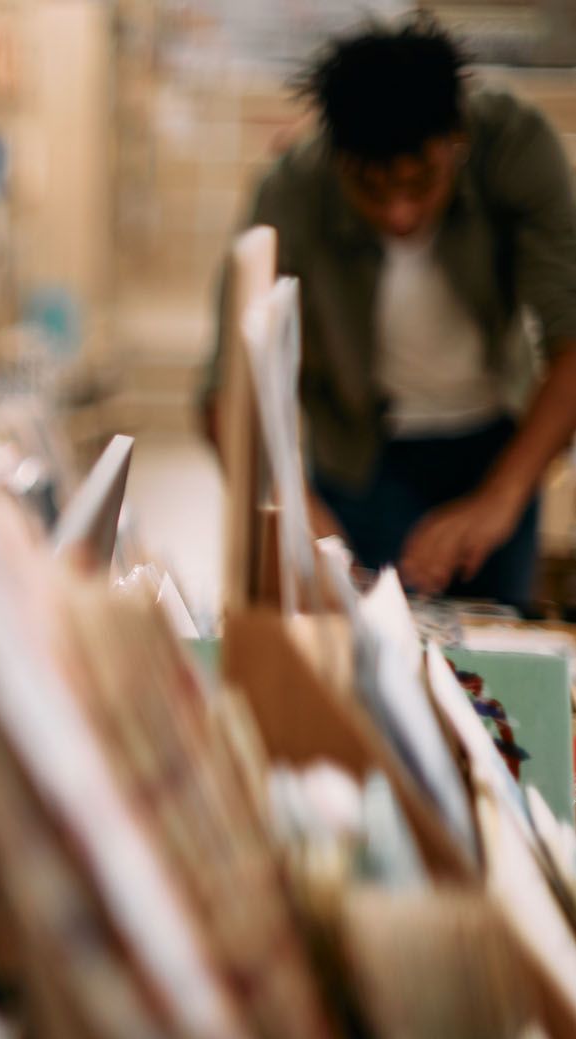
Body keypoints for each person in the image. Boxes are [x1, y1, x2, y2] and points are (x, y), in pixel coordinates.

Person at [202, 16, 576, 605]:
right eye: (372, 190)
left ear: (456, 142)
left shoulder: (516, 145)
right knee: (360, 650)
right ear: (337, 159)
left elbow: (572, 342)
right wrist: (300, 514)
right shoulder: (291, 189)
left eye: (421, 182)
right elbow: (224, 388)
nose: (399, 213)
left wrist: (501, 500)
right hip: (360, 460)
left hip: (495, 441)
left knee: (493, 648)